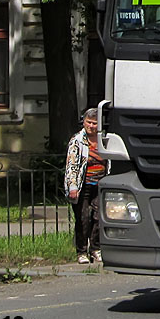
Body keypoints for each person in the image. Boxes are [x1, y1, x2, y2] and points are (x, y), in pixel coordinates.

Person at [64, 108, 107, 264]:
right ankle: (81, 251)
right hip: (83, 185)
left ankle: (96, 249)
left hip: (100, 184)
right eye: (89, 122)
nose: (91, 126)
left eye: (95, 123)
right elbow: (72, 165)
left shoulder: (104, 139)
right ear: (84, 122)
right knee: (83, 219)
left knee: (99, 218)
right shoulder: (77, 140)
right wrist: (72, 186)